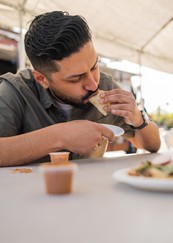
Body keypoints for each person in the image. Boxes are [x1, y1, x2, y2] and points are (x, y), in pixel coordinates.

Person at [0, 11, 161, 167]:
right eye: (76, 78)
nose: (93, 84)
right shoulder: (15, 91)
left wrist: (137, 119)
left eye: (94, 67)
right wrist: (60, 136)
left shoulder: (106, 85)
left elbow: (152, 146)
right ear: (42, 79)